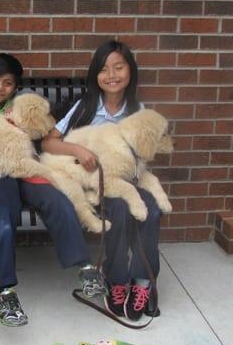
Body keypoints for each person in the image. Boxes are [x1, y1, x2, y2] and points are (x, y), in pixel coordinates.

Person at [0, 53, 104, 327]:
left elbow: (44, 131)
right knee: (4, 218)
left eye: (7, 83)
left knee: (57, 200)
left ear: (15, 87)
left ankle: (85, 268)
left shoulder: (21, 108)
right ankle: (3, 293)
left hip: (27, 170)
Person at [42, 40, 161, 321]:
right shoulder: (86, 107)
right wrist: (77, 150)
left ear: (130, 71)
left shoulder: (138, 111)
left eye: (118, 67)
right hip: (97, 184)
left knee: (152, 211)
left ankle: (144, 283)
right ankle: (116, 279)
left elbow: (144, 155)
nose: (112, 75)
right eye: (104, 69)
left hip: (130, 179)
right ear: (95, 75)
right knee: (119, 210)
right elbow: (49, 142)